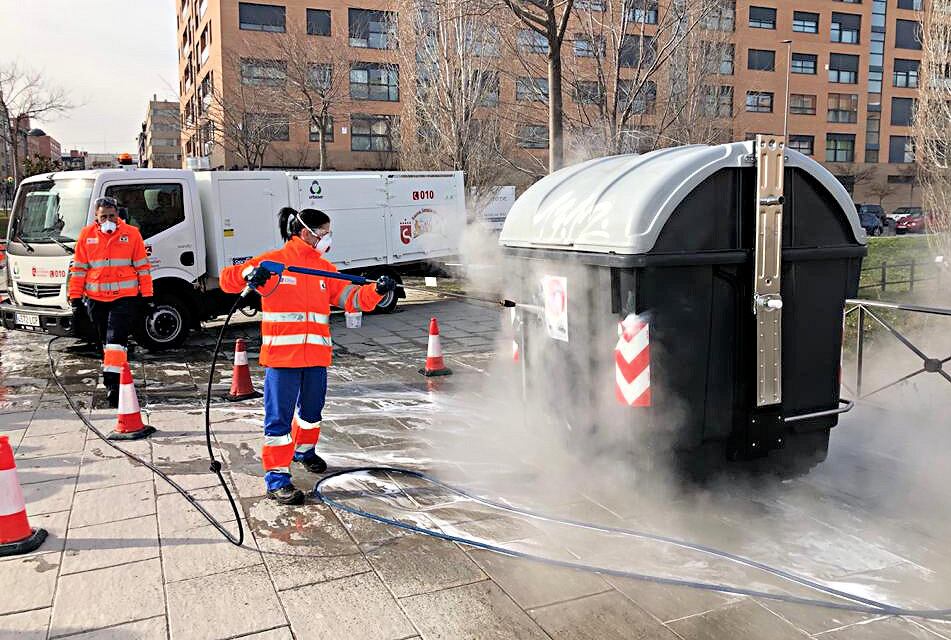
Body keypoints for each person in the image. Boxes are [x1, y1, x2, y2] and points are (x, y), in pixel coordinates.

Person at [219, 207, 397, 505]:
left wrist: (377, 291)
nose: (328, 238)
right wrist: (250, 273)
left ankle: (304, 452)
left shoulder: (323, 269)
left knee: (311, 413)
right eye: (324, 233)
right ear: (306, 233)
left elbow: (352, 298)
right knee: (279, 421)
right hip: (282, 360)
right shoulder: (273, 262)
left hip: (315, 358)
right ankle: (277, 480)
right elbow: (228, 280)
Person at [68, 196, 153, 408]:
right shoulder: (86, 236)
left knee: (115, 339)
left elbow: (143, 267)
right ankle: (117, 373)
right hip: (96, 299)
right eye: (103, 216)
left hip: (124, 298)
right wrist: (75, 298)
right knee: (105, 343)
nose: (108, 220)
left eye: (112, 216)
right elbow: (79, 269)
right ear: (96, 218)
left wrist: (148, 295)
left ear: (118, 216)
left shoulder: (131, 234)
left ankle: (113, 386)